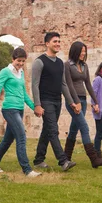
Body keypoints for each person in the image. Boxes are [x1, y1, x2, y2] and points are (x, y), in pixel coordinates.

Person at [0, 47, 42, 177]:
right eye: (19, 61)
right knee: (21, 136)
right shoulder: (5, 72)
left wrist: (35, 106)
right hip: (9, 109)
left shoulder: (21, 73)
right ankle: (27, 170)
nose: (21, 64)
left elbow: (24, 94)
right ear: (13, 59)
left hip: (19, 109)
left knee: (8, 139)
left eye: (23, 61)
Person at [31, 32, 78, 171]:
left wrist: (71, 102)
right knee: (53, 130)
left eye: (58, 41)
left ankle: (39, 159)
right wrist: (37, 105)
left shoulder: (60, 63)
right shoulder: (39, 62)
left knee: (47, 130)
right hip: (45, 101)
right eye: (54, 41)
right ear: (47, 44)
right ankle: (63, 161)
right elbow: (34, 85)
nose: (57, 44)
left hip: (58, 101)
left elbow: (63, 84)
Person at [64, 41, 102, 168]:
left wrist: (95, 102)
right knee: (84, 127)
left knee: (73, 129)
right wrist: (76, 102)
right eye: (82, 51)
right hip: (72, 101)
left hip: (82, 100)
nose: (84, 53)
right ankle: (94, 159)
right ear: (75, 51)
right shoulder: (67, 65)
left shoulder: (85, 65)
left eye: (84, 51)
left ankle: (66, 158)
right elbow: (69, 85)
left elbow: (88, 84)